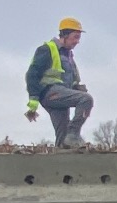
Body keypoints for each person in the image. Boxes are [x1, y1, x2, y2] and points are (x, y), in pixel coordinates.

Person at [24, 18, 93, 148]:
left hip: (60, 95)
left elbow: (65, 78)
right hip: (50, 92)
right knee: (86, 100)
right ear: (65, 35)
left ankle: (62, 155)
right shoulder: (47, 49)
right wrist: (33, 100)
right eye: (75, 37)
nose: (77, 41)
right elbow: (32, 74)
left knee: (63, 138)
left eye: (78, 38)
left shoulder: (68, 56)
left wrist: (75, 87)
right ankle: (74, 134)